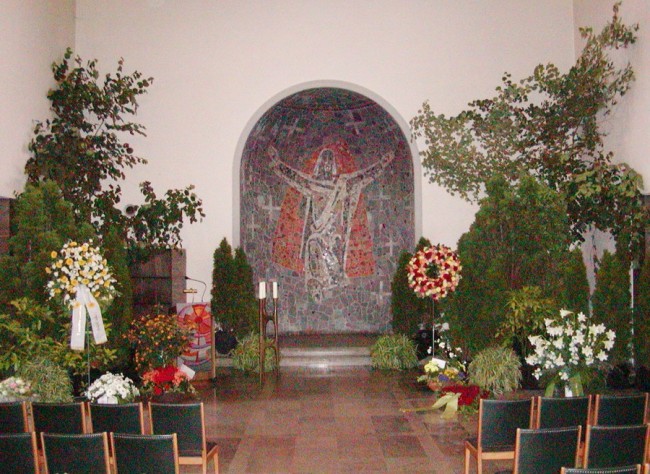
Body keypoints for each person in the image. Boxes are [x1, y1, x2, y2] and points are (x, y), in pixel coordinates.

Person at [268, 141, 394, 301]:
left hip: (333, 235)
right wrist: (278, 163)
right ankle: (317, 283)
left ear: (333, 165)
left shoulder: (342, 185)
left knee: (320, 246)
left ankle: (330, 279)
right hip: (317, 231)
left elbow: (362, 178)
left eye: (329, 162)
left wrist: (381, 164)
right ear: (319, 164)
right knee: (313, 243)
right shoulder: (312, 185)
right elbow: (295, 178)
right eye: (324, 161)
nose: (326, 165)